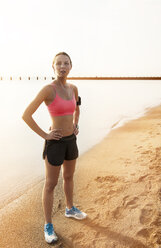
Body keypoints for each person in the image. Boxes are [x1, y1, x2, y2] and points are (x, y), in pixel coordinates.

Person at [22, 52, 87, 244]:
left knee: (68, 177)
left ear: (71, 66)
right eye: (58, 63)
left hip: (70, 141)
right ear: (53, 67)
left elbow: (77, 108)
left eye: (66, 63)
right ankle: (48, 225)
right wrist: (45, 135)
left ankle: (69, 208)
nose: (62, 66)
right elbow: (26, 115)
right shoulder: (48, 90)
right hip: (55, 143)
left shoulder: (74, 88)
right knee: (50, 184)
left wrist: (76, 124)